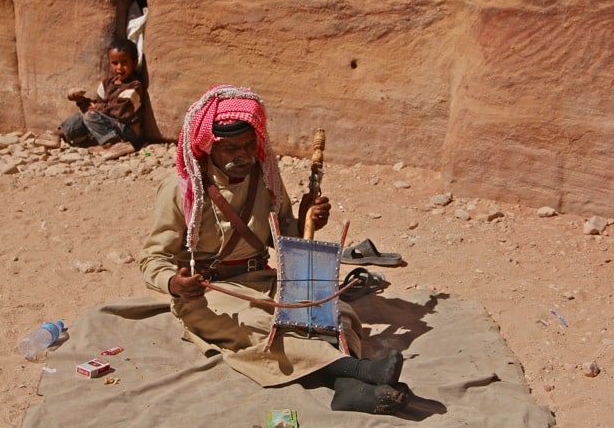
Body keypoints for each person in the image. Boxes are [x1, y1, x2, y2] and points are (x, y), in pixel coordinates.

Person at [139, 84, 411, 415]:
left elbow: (283, 238)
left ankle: (347, 388)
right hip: (210, 292)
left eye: (248, 144)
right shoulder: (181, 190)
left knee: (335, 313)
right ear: (209, 147)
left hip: (264, 278)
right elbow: (154, 258)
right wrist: (175, 284)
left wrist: (305, 218)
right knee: (261, 328)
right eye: (230, 148)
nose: (243, 155)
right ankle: (356, 371)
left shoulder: (264, 177)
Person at [34, 38, 143, 160]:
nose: (119, 67)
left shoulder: (135, 86)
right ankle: (58, 135)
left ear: (134, 63)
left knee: (90, 115)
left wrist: (96, 109)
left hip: (127, 131)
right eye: (115, 63)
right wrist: (81, 100)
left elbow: (121, 111)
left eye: (124, 63)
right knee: (84, 115)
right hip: (109, 125)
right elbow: (96, 106)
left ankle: (118, 144)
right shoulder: (107, 84)